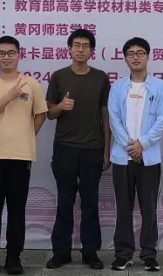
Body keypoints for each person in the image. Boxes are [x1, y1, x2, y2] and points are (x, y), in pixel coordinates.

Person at [0, 36, 48, 275]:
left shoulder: (32, 84)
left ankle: (14, 257)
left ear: (19, 55)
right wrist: (9, 96)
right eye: (2, 53)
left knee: (17, 210)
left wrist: (26, 136)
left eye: (11, 52)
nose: (6, 57)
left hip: (21, 156)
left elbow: (40, 115)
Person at [45, 29, 111, 270]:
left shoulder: (100, 78)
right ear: (69, 49)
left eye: (85, 45)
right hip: (65, 148)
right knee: (65, 200)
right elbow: (49, 114)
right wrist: (61, 106)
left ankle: (90, 252)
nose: (80, 49)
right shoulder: (59, 76)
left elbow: (105, 115)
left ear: (92, 51)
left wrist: (106, 150)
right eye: (76, 45)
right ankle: (61, 252)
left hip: (93, 148)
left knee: (90, 202)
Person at [107, 37, 163, 272]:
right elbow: (113, 119)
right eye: (131, 53)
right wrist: (130, 146)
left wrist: (142, 144)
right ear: (125, 58)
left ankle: (149, 254)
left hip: (148, 157)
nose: (136, 57)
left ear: (148, 56)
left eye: (140, 52)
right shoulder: (117, 87)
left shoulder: (160, 87)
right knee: (123, 208)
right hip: (122, 157)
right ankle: (123, 254)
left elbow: (162, 120)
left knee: (149, 208)